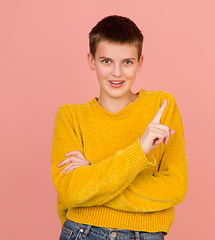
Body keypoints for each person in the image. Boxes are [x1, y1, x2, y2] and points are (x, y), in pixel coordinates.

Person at [51, 15, 188, 240]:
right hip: (84, 232)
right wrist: (140, 150)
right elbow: (71, 192)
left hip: (146, 235)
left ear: (140, 62)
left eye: (127, 62)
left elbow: (175, 187)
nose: (117, 73)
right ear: (91, 60)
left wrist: (93, 175)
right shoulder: (70, 116)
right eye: (106, 61)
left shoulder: (161, 107)